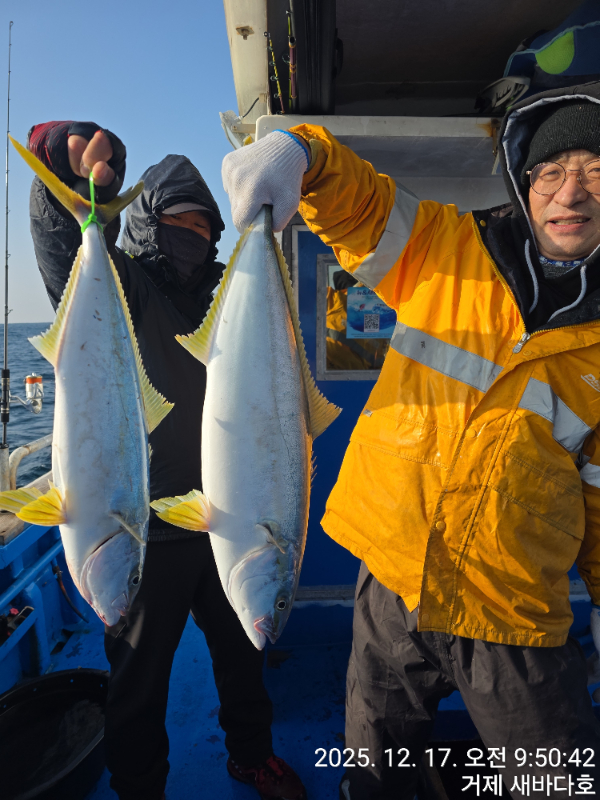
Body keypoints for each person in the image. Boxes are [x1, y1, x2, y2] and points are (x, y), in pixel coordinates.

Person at [222, 83, 600, 799]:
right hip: (393, 585)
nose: (570, 192)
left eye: (595, 171)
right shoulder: (447, 248)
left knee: (554, 784)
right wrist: (303, 152)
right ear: (525, 185)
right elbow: (360, 206)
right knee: (375, 776)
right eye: (551, 171)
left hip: (513, 608)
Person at [27, 120, 307, 800]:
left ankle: (251, 755)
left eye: (206, 227)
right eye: (180, 222)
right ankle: (139, 785)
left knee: (243, 659)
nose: (195, 236)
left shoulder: (228, 295)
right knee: (138, 676)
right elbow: (64, 255)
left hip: (225, 520)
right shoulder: (123, 286)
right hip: (141, 526)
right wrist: (66, 166)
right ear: (149, 225)